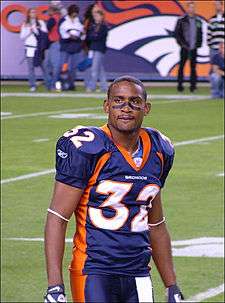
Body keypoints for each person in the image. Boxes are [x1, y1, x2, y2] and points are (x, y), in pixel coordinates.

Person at [44, 75, 184, 303]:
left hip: (139, 271)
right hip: (94, 270)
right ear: (106, 106)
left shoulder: (160, 149)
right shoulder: (87, 147)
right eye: (118, 101)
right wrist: (54, 285)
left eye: (134, 101)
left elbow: (156, 223)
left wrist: (171, 284)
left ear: (146, 108)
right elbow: (58, 217)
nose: (126, 108)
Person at [174, 1, 203, 92]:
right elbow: (177, 34)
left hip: (194, 48)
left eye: (193, 7)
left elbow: (200, 34)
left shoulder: (198, 21)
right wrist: (183, 44)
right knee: (182, 66)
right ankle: (180, 86)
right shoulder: (182, 20)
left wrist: (198, 44)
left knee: (193, 68)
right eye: (190, 7)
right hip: (184, 47)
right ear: (187, 8)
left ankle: (193, 86)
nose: (192, 9)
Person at [20, 8, 48, 92]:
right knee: (31, 67)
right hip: (29, 48)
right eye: (32, 12)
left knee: (44, 67)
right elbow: (22, 37)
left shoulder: (41, 23)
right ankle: (32, 85)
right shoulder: (25, 24)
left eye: (35, 12)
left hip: (38, 48)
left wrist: (36, 30)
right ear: (28, 14)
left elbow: (45, 34)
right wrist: (29, 30)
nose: (33, 14)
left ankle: (49, 84)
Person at [58, 4, 85, 90]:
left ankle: (71, 84)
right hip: (66, 46)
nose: (75, 14)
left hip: (76, 46)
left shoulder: (79, 21)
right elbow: (62, 33)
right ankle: (63, 84)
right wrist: (70, 36)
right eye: (73, 12)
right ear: (70, 12)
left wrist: (80, 36)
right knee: (64, 66)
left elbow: (83, 33)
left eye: (76, 13)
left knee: (73, 67)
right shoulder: (63, 21)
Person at [85, 10, 108, 92]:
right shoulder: (93, 26)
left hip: (99, 49)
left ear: (101, 17)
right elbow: (89, 37)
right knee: (100, 69)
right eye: (95, 16)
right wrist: (94, 36)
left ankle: (91, 87)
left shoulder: (103, 27)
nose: (96, 17)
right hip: (92, 48)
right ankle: (104, 87)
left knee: (94, 69)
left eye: (98, 16)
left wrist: (94, 36)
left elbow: (98, 37)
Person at [44, 5, 61, 91]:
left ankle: (52, 84)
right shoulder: (60, 18)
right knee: (49, 65)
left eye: (49, 11)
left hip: (54, 43)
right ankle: (50, 84)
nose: (48, 12)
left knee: (53, 65)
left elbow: (46, 29)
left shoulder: (53, 19)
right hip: (55, 44)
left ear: (52, 11)